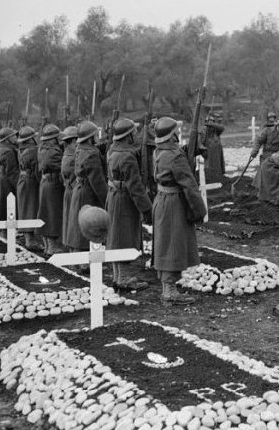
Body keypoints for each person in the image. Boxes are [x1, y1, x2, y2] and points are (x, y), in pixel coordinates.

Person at [152, 116, 206, 305]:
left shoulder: (159, 151)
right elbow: (189, 185)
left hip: (162, 199)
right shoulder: (175, 156)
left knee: (165, 242)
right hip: (174, 203)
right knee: (172, 245)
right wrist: (200, 210)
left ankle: (168, 287)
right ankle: (170, 291)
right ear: (172, 134)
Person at [106, 118, 152, 291]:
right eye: (133, 132)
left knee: (115, 237)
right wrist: (146, 208)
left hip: (114, 197)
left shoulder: (113, 150)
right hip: (124, 200)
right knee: (123, 237)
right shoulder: (127, 157)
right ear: (128, 136)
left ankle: (118, 276)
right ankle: (124, 278)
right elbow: (136, 187)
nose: (136, 134)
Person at [64, 121, 108, 252]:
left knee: (77, 226)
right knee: (87, 225)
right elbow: (97, 181)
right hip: (88, 192)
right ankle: (83, 263)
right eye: (95, 135)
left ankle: (76, 258)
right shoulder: (92, 153)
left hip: (80, 189)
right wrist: (106, 199)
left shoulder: (80, 149)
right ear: (90, 137)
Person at [37, 124, 64, 256]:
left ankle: (48, 245)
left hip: (45, 182)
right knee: (52, 214)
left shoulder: (42, 149)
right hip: (53, 183)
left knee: (45, 213)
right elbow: (61, 166)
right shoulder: (54, 151)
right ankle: (52, 246)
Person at [17, 126, 41, 250]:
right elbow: (37, 170)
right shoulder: (33, 150)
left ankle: (28, 238)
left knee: (24, 208)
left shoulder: (20, 149)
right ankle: (30, 240)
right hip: (30, 181)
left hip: (22, 180)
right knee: (30, 208)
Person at [251, 118, 279, 192]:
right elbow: (258, 140)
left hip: (278, 157)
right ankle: (259, 190)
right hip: (267, 155)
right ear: (278, 126)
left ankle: (274, 190)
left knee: (276, 174)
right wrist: (255, 150)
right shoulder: (267, 131)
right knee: (263, 173)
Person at [0, 127, 19, 222]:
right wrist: (18, 185)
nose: (15, 137)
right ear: (7, 139)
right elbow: (12, 171)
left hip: (4, 179)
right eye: (13, 136)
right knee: (6, 207)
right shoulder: (7, 151)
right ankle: (4, 233)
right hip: (7, 182)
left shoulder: (4, 148)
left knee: (4, 206)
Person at [60, 126, 78, 249]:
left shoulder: (67, 155)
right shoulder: (72, 157)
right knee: (74, 224)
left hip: (69, 190)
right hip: (73, 190)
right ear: (72, 141)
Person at [199, 113, 226, 179]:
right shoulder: (203, 131)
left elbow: (222, 128)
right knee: (209, 168)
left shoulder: (217, 131)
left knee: (218, 166)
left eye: (212, 122)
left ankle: (219, 176)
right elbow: (200, 142)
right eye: (209, 122)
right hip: (209, 154)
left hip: (218, 154)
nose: (210, 127)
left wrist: (210, 124)